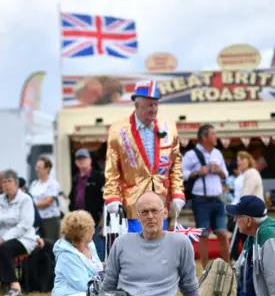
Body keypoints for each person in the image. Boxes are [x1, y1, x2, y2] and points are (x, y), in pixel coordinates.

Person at [100, 191, 230, 296]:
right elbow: (108, 285)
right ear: (138, 217)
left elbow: (189, 287)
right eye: (145, 212)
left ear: (165, 213)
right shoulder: (122, 243)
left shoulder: (180, 243)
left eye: (155, 211)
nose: (150, 217)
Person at [104, 80, 185, 233]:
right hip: (133, 203)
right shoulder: (118, 130)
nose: (153, 109)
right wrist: (112, 198)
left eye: (156, 105)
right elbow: (112, 171)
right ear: (136, 105)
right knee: (137, 250)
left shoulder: (169, 128)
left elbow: (176, 166)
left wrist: (177, 194)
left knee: (161, 249)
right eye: (149, 105)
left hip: (161, 202)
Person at [227, 196, 275, 296]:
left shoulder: (268, 236)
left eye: (238, 216)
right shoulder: (253, 234)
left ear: (249, 220)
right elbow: (238, 270)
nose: (234, 219)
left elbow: (274, 276)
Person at [44, 210, 103, 296]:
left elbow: (98, 269)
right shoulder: (66, 255)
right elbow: (82, 284)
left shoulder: (89, 245)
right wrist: (105, 287)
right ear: (84, 232)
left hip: (89, 293)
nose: (94, 229)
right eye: (91, 227)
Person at [182, 124, 229, 268]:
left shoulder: (217, 153)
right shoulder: (191, 154)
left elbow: (226, 176)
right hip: (200, 200)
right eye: (213, 134)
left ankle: (227, 267)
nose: (216, 137)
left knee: (223, 234)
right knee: (203, 235)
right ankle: (204, 269)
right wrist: (197, 172)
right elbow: (181, 173)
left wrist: (220, 171)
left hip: (217, 199)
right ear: (204, 137)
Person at [68, 148, 105, 259]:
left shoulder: (99, 177)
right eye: (79, 159)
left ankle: (99, 274)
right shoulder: (75, 179)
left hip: (96, 221)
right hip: (79, 222)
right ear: (75, 162)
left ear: (90, 160)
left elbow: (105, 200)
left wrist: (103, 221)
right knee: (81, 251)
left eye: (84, 158)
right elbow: (72, 199)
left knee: (96, 250)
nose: (81, 161)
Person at [229, 152, 264, 259]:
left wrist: (241, 208)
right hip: (239, 208)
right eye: (238, 160)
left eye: (243, 159)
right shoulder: (241, 175)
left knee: (241, 237)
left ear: (248, 161)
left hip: (248, 210)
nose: (240, 162)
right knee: (243, 237)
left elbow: (247, 193)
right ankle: (243, 259)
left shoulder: (251, 172)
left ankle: (238, 257)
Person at [29, 157, 62, 241]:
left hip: (50, 219)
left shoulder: (53, 184)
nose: (37, 169)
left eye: (40, 167)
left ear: (47, 169)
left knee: (50, 243)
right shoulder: (34, 184)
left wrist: (32, 206)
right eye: (36, 167)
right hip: (37, 218)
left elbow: (48, 202)